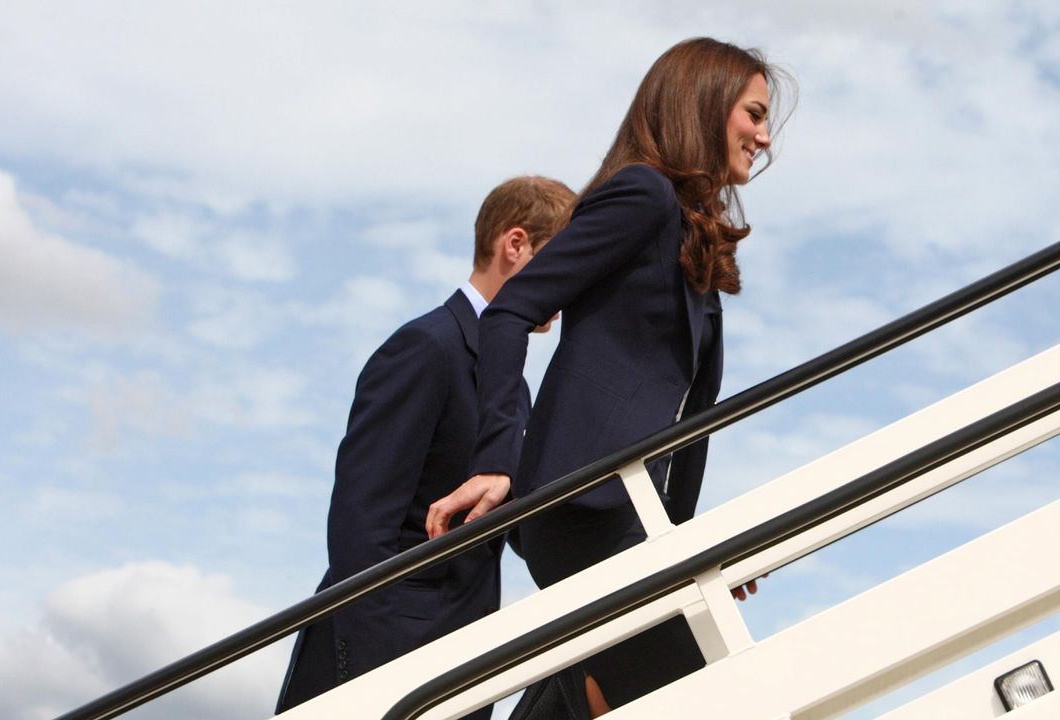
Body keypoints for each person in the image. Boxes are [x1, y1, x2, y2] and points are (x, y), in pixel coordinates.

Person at [427, 37, 791, 716]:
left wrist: (692, 548)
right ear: (704, 103)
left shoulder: (687, 234)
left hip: (635, 519)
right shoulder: (642, 196)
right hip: (583, 508)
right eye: (754, 113)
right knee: (703, 698)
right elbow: (510, 312)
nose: (765, 137)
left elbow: (682, 415)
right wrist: (498, 460)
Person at [276, 175, 576, 715]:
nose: (571, 286)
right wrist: (381, 681)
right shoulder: (427, 347)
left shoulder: (516, 389)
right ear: (515, 245)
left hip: (460, 665)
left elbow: (511, 529)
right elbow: (360, 522)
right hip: (388, 665)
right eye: (564, 261)